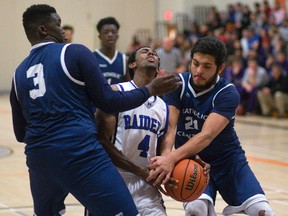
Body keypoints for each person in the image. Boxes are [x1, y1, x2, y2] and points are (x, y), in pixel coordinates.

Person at [10, 4, 181, 216]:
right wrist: (149, 90)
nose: (63, 30)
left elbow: (20, 133)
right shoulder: (74, 52)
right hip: (79, 153)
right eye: (58, 25)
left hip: (39, 161)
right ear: (44, 30)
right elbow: (108, 102)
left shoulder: (18, 73)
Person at [147, 37, 275, 216]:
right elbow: (170, 126)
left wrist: (172, 157)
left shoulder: (228, 93)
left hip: (228, 161)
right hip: (192, 161)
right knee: (195, 210)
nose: (198, 71)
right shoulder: (177, 84)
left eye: (207, 66)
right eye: (195, 63)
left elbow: (206, 136)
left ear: (220, 68)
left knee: (262, 212)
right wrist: (167, 156)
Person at [85, 46, 210, 216]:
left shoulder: (164, 108)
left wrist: (186, 161)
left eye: (155, 54)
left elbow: (162, 154)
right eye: (144, 51)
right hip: (113, 181)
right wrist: (138, 170)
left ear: (158, 68)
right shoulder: (116, 93)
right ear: (132, 65)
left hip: (146, 186)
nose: (151, 53)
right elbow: (101, 142)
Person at [93, 16, 129, 84]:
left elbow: (128, 87)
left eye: (113, 32)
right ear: (99, 36)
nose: (110, 35)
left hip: (118, 94)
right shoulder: (92, 58)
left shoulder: (125, 60)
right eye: (106, 32)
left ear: (117, 36)